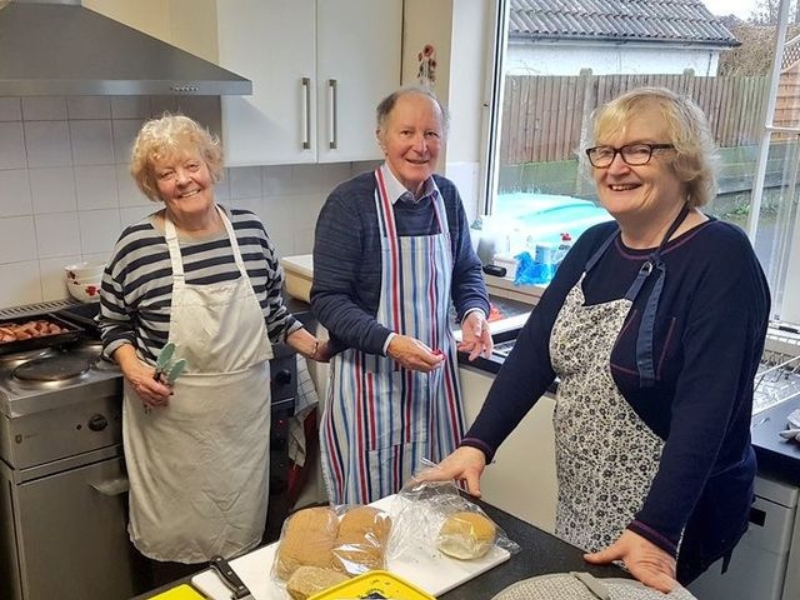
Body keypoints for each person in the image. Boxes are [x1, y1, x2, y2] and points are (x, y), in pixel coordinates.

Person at [417, 87, 770, 592]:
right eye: (604, 151)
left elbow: (707, 409)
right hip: (587, 496)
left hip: (675, 512)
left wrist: (657, 529)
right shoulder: (595, 244)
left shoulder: (721, 257)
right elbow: (534, 353)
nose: (615, 167)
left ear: (685, 161)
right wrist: (478, 444)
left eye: (640, 150)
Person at [98, 114, 330, 574]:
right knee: (176, 566)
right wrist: (133, 367)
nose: (184, 181)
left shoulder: (250, 231)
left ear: (211, 165)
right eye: (166, 174)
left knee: (241, 559)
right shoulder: (137, 245)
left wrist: (322, 349)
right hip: (171, 433)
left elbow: (275, 316)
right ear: (153, 185)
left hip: (240, 434)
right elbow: (112, 325)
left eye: (192, 165)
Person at [311, 86, 494, 506]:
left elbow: (467, 269)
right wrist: (390, 342)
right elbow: (329, 299)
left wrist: (473, 311)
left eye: (431, 134)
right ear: (381, 137)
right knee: (373, 517)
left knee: (438, 507)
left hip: (433, 386)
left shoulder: (445, 196)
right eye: (406, 132)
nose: (419, 146)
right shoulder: (349, 204)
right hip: (370, 385)